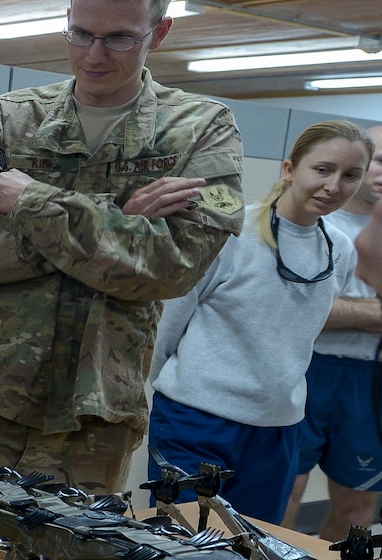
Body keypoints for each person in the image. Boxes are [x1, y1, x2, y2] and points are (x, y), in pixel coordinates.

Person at [0, 0, 243, 511]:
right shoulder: (9, 118)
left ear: (159, 32)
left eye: (119, 37)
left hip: (94, 419)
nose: (94, 54)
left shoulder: (201, 130)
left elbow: (169, 268)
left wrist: (36, 202)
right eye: (80, 33)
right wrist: (120, 220)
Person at [148, 122, 372, 520]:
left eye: (350, 175)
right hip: (196, 417)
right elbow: (171, 322)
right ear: (289, 169)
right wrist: (177, 385)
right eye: (322, 170)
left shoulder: (339, 249)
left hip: (277, 426)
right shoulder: (230, 234)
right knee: (181, 542)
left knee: (249, 554)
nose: (333, 186)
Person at [285, 125, 382, 541]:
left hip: (368, 379)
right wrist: (373, 314)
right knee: (286, 494)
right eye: (380, 162)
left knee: (357, 507)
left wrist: (348, 312)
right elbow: (297, 311)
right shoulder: (313, 218)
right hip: (308, 367)